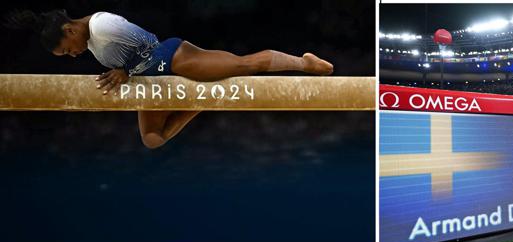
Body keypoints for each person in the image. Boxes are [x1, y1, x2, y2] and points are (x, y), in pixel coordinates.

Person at [7, 10, 334, 149]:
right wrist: (125, 73)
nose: (73, 56)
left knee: (242, 66)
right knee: (152, 139)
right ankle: (199, 102)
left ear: (69, 30)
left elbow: (148, 41)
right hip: (149, 81)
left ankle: (303, 62)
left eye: (67, 51)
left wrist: (124, 71)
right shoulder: (91, 39)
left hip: (175, 60)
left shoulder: (104, 26)